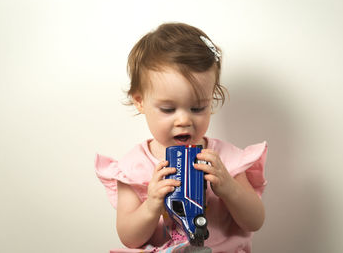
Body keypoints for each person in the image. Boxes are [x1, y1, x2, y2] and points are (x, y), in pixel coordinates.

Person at [95, 22, 268, 253]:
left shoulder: (224, 160)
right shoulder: (133, 167)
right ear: (140, 102)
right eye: (168, 109)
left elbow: (255, 221)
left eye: (197, 108)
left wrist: (229, 188)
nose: (184, 120)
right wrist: (151, 205)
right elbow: (129, 237)